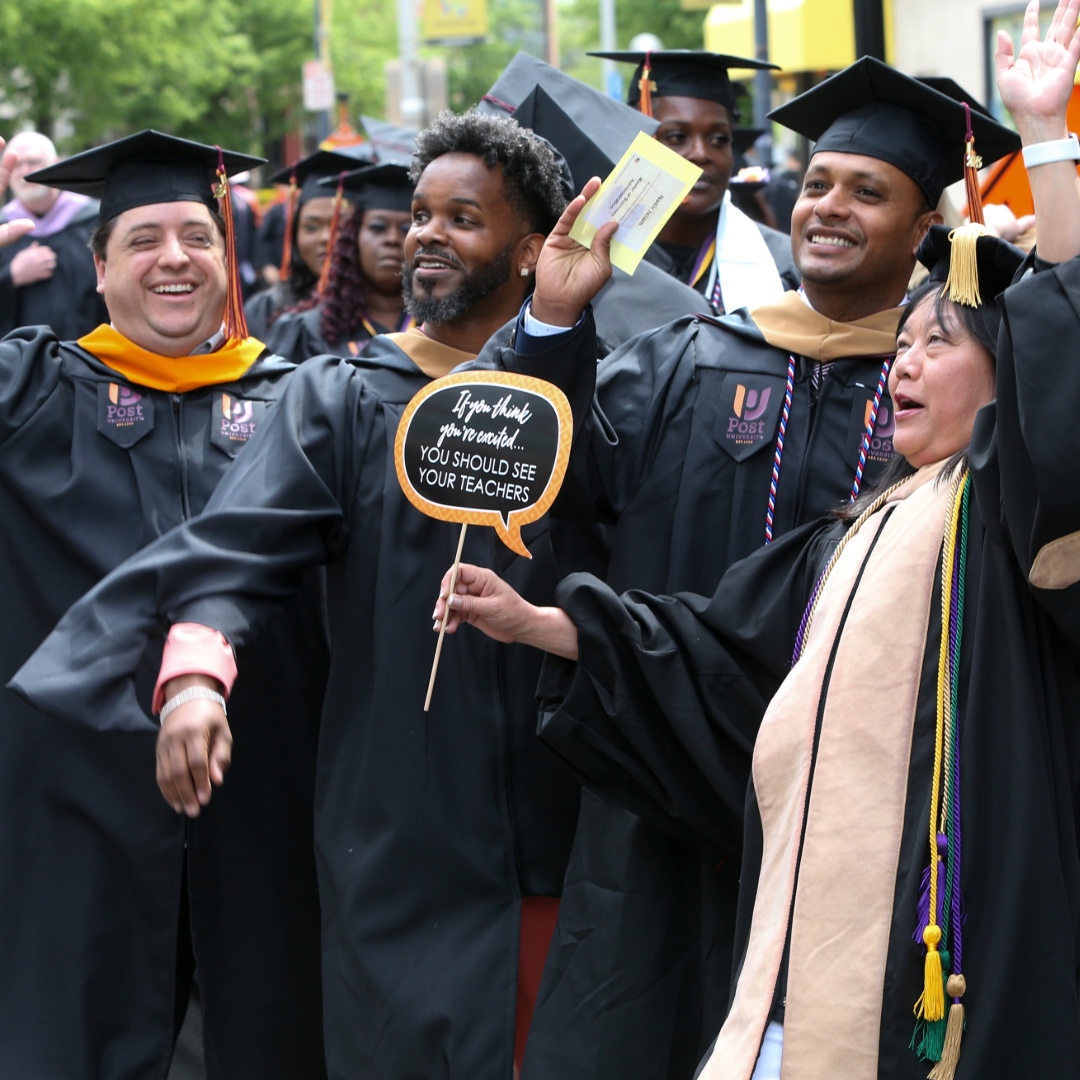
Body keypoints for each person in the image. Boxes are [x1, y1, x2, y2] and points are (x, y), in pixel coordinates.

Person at [434, 7, 1080, 1075]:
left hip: (902, 822)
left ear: (927, 227)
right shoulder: (688, 356)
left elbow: (1065, 372)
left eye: (867, 191)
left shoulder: (975, 446)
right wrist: (551, 326)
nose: (827, 208)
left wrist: (1048, 145)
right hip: (673, 781)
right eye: (817, 184)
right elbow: (562, 487)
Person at [12, 109, 618, 1079]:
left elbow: (595, 498)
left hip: (541, 826)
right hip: (374, 824)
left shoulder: (608, 387)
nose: (424, 233)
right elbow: (238, 546)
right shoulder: (337, 395)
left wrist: (551, 329)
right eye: (420, 212)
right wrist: (198, 673)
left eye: (462, 217)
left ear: (531, 248)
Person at [0, 130, 328, 1080]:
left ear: (231, 260)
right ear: (96, 269)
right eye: (143, 239)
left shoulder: (303, 403)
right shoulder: (30, 395)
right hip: (71, 819)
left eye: (196, 234)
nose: (174, 257)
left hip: (264, 807)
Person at [590, 49, 799, 310]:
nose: (701, 154)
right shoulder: (594, 255)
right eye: (677, 137)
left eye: (719, 139)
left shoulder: (781, 262)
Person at [267, 161, 414, 362]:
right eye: (377, 227)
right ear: (353, 237)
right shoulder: (306, 331)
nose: (392, 239)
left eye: (407, 229)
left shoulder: (447, 329)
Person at [243, 148, 362, 340]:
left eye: (339, 226)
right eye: (311, 227)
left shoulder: (381, 310)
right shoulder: (265, 309)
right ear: (294, 232)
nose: (326, 237)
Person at [0, 130, 108, 338]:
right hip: (17, 362)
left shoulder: (96, 220)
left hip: (90, 355)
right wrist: (10, 276)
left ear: (56, 163)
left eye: (33, 162)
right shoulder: (3, 230)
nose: (25, 171)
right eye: (17, 165)